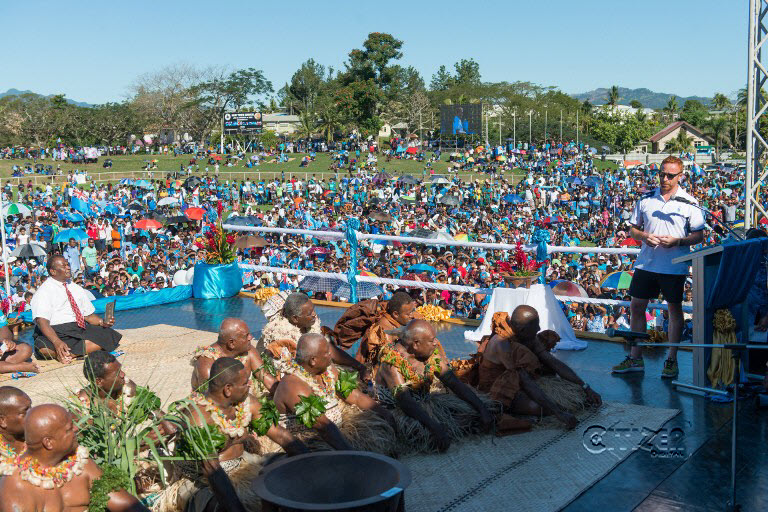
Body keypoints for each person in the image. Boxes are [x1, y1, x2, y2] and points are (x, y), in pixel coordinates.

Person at [159, 357, 307, 512]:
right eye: (245, 383)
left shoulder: (246, 403)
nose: (250, 385)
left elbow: (281, 435)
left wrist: (311, 462)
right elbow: (211, 470)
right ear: (228, 389)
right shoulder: (199, 418)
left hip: (246, 462)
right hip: (202, 480)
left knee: (293, 467)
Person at [612, 156, 705, 378]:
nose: (664, 178)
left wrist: (678, 241)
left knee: (674, 310)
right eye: (662, 174)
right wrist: (644, 236)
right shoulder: (646, 199)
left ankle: (671, 359)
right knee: (636, 307)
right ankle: (635, 357)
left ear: (680, 176)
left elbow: (699, 235)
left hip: (674, 267)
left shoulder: (689, 203)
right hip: (646, 263)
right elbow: (634, 229)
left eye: (670, 175)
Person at [0, 404, 149, 512]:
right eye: (69, 429)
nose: (77, 429)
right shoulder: (15, 486)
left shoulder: (79, 463)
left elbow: (125, 504)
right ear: (49, 442)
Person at [375, 319, 495, 452]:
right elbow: (406, 402)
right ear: (416, 344)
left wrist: (481, 408)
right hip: (401, 411)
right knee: (426, 437)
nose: (436, 343)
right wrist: (434, 426)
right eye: (432, 340)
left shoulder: (429, 354)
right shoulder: (392, 363)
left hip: (425, 403)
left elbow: (453, 382)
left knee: (484, 413)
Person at [473, 308, 601, 430]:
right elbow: (524, 380)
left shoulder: (527, 336)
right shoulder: (502, 343)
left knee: (571, 399)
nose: (539, 329)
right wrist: (559, 414)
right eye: (535, 327)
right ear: (522, 330)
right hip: (498, 389)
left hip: (521, 381)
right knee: (541, 408)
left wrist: (585, 387)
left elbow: (553, 362)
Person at [273, 333, 395, 451]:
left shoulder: (327, 371)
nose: (331, 355)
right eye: (326, 353)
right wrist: (354, 455)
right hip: (309, 441)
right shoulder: (293, 386)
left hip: (334, 432)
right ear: (313, 360)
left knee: (379, 435)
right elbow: (323, 427)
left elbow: (355, 396)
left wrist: (384, 413)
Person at [30, 255, 122, 363]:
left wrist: (102, 322)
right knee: (42, 346)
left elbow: (88, 316)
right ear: (53, 271)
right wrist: (57, 342)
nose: (68, 267)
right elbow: (42, 322)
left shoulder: (76, 288)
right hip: (55, 330)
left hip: (78, 328)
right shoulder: (44, 291)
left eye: (67, 265)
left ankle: (70, 353)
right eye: (63, 266)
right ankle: (65, 350)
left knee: (108, 334)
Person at [259, 292, 368, 378]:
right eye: (309, 313)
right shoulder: (281, 337)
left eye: (313, 310)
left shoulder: (310, 326)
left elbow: (329, 349)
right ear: (295, 318)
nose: (314, 314)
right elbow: (296, 370)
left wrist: (359, 366)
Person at [191, 318, 278, 394]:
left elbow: (267, 379)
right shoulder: (208, 364)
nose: (251, 337)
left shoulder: (248, 351)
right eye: (246, 336)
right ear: (231, 343)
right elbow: (213, 399)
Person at [355, 290, 416, 365]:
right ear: (396, 314)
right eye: (408, 314)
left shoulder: (393, 322)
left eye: (412, 312)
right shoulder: (385, 331)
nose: (412, 316)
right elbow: (387, 361)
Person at [0, 386, 31, 473]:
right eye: (25, 412)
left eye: (31, 407)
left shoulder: (40, 437)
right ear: (2, 421)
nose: (32, 413)